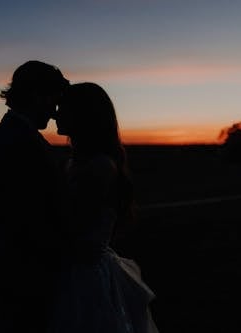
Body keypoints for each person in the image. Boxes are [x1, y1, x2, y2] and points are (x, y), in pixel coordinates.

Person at [48, 82, 159, 333]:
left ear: (83, 116)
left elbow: (72, 227)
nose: (56, 113)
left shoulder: (100, 167)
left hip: (84, 280)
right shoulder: (76, 163)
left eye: (63, 108)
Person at [0, 60, 70, 333]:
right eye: (53, 101)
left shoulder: (16, 133)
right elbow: (31, 214)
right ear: (37, 95)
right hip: (27, 270)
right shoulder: (20, 140)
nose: (55, 112)